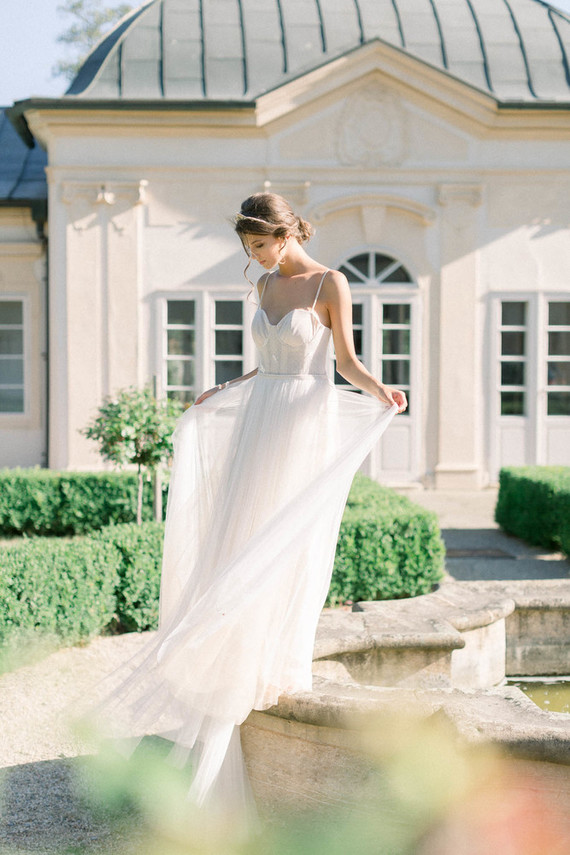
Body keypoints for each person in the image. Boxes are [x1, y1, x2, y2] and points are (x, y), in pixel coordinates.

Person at [87, 193, 406, 822]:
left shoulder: (330, 283)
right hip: (261, 416)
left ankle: (278, 664)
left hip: (302, 423)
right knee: (241, 537)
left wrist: (381, 390)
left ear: (287, 234)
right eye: (249, 248)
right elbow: (265, 367)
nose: (255, 256)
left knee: (287, 542)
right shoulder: (263, 287)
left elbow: (343, 363)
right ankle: (232, 656)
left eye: (261, 244)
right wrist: (222, 389)